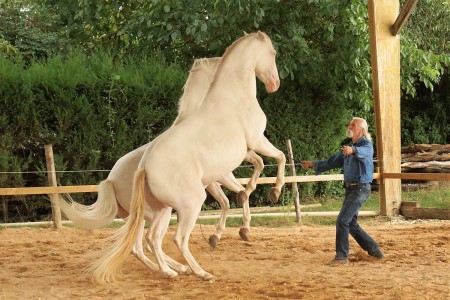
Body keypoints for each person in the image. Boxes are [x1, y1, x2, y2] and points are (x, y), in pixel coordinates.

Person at [301, 117, 384, 265]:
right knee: (350, 223)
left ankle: (341, 257)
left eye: (353, 125)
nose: (349, 126)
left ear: (362, 130)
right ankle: (374, 250)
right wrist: (313, 164)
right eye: (350, 124)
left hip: (360, 189)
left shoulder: (366, 145)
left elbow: (363, 152)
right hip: (352, 189)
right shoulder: (348, 147)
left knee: (342, 220)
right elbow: (331, 162)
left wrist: (352, 150)